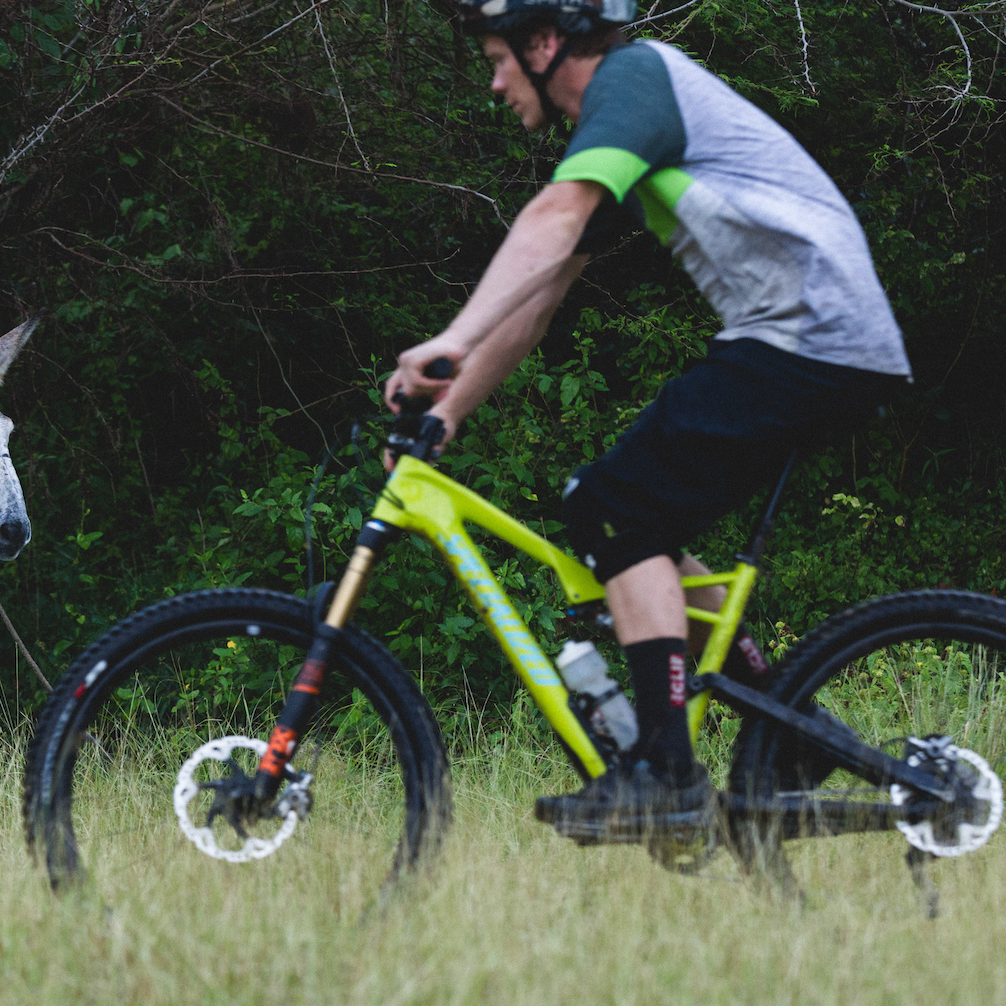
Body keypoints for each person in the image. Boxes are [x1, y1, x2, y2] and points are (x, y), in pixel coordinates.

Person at [384, 0, 911, 821]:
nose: (493, 83)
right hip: (811, 338)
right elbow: (541, 292)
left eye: (496, 59)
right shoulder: (618, 132)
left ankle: (666, 774)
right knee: (629, 520)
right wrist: (446, 413)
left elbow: (551, 219)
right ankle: (793, 726)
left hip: (809, 334)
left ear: (543, 42)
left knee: (613, 507)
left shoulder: (635, 80)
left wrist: (448, 338)